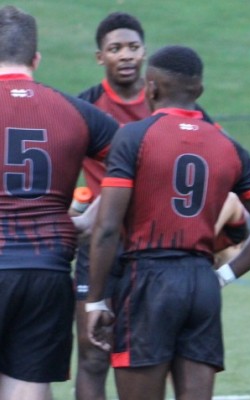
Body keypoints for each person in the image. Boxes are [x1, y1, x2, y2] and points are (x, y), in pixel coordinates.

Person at [85, 45, 250, 400]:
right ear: (199, 91)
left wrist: (96, 301)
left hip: (147, 280)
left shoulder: (133, 137)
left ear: (150, 88)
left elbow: (104, 228)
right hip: (201, 282)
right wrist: (226, 275)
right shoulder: (229, 146)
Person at [0, 6, 119, 400]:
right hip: (48, 268)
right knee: (29, 385)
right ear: (36, 58)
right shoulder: (74, 111)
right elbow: (139, 159)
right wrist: (91, 219)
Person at [74, 12, 149, 400]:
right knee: (92, 356)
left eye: (133, 47)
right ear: (99, 57)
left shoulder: (164, 101)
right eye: (115, 48)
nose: (125, 55)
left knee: (142, 359)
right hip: (98, 249)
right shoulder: (84, 106)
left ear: (144, 52)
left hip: (151, 250)